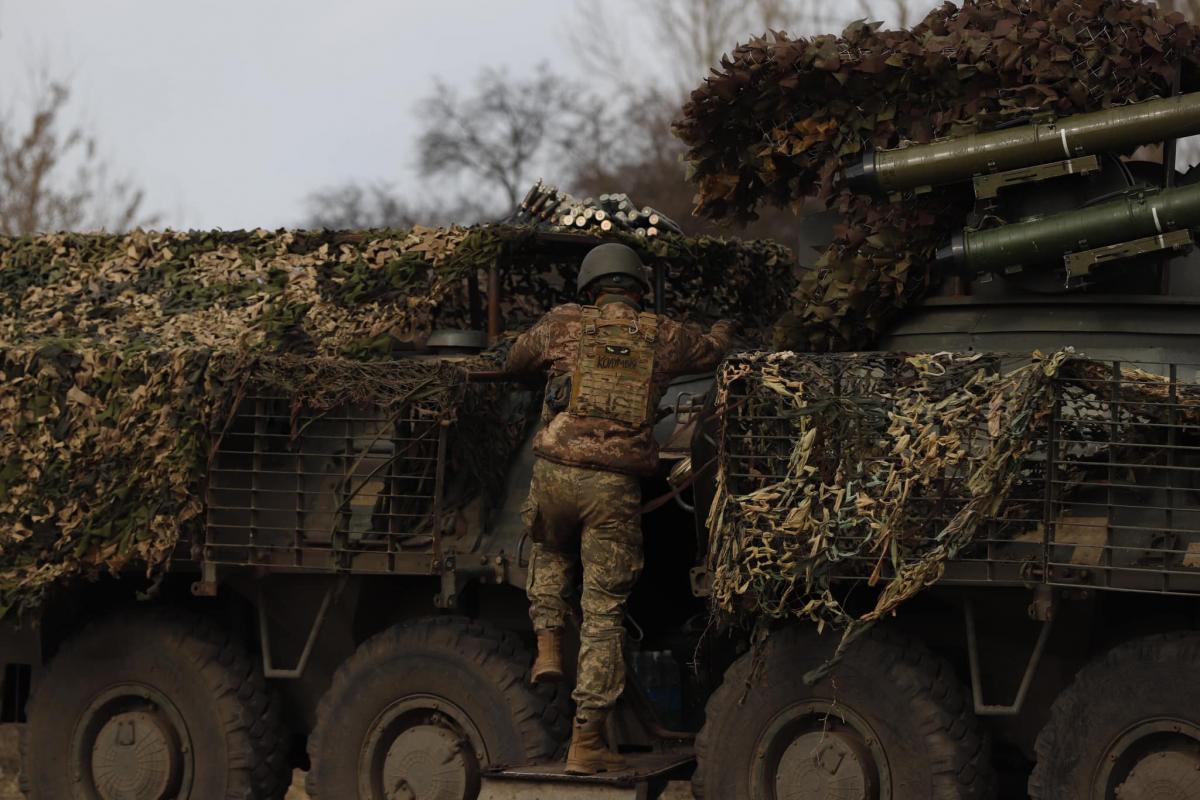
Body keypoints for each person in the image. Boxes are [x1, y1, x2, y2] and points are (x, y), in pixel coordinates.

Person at [504, 242, 734, 775]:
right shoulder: (663, 335)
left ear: (589, 289)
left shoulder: (563, 322)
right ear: (638, 289)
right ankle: (587, 742)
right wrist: (723, 329)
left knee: (549, 550)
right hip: (613, 488)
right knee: (605, 611)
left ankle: (548, 646)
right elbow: (711, 352)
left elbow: (517, 359)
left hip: (555, 473)